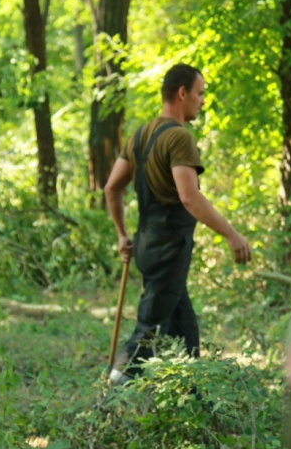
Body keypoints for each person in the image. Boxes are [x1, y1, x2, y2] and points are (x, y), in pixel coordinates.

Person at [104, 63, 251, 382]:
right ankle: (113, 391)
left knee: (184, 331)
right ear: (182, 93)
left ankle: (189, 396)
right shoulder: (179, 138)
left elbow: (111, 187)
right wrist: (232, 234)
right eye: (199, 93)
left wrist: (122, 235)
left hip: (146, 245)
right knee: (148, 330)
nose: (202, 100)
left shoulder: (140, 135)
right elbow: (189, 197)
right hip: (170, 248)